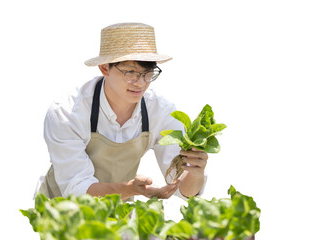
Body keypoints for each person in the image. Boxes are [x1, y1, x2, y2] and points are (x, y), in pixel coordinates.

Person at [38, 22, 207, 201]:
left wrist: (196, 172)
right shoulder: (67, 112)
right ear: (104, 67)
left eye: (148, 73)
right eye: (130, 72)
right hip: (61, 212)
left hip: (118, 210)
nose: (141, 83)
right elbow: (77, 189)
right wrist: (130, 189)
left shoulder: (160, 111)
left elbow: (183, 189)